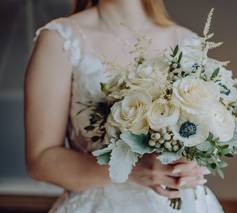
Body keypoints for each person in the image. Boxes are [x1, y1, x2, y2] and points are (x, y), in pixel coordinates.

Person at [24, 0, 224, 212]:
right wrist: (127, 169)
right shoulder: (59, 39)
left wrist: (193, 161)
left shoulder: (187, 41)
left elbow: (205, 134)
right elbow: (40, 160)